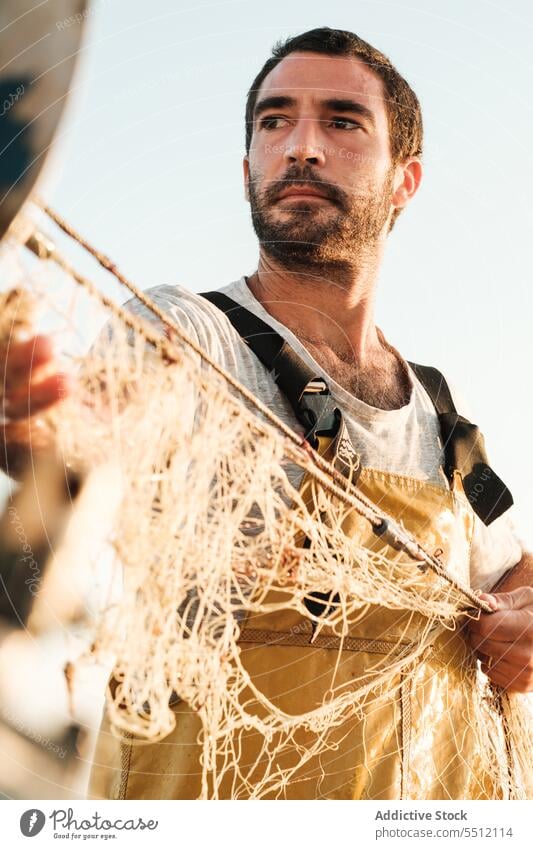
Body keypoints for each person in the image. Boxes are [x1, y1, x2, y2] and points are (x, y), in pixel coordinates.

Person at [1, 27, 532, 799]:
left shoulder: (443, 412)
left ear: (403, 180)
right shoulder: (185, 331)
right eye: (274, 121)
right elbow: (94, 431)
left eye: (342, 122)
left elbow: (507, 562)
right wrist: (37, 428)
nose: (301, 147)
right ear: (247, 164)